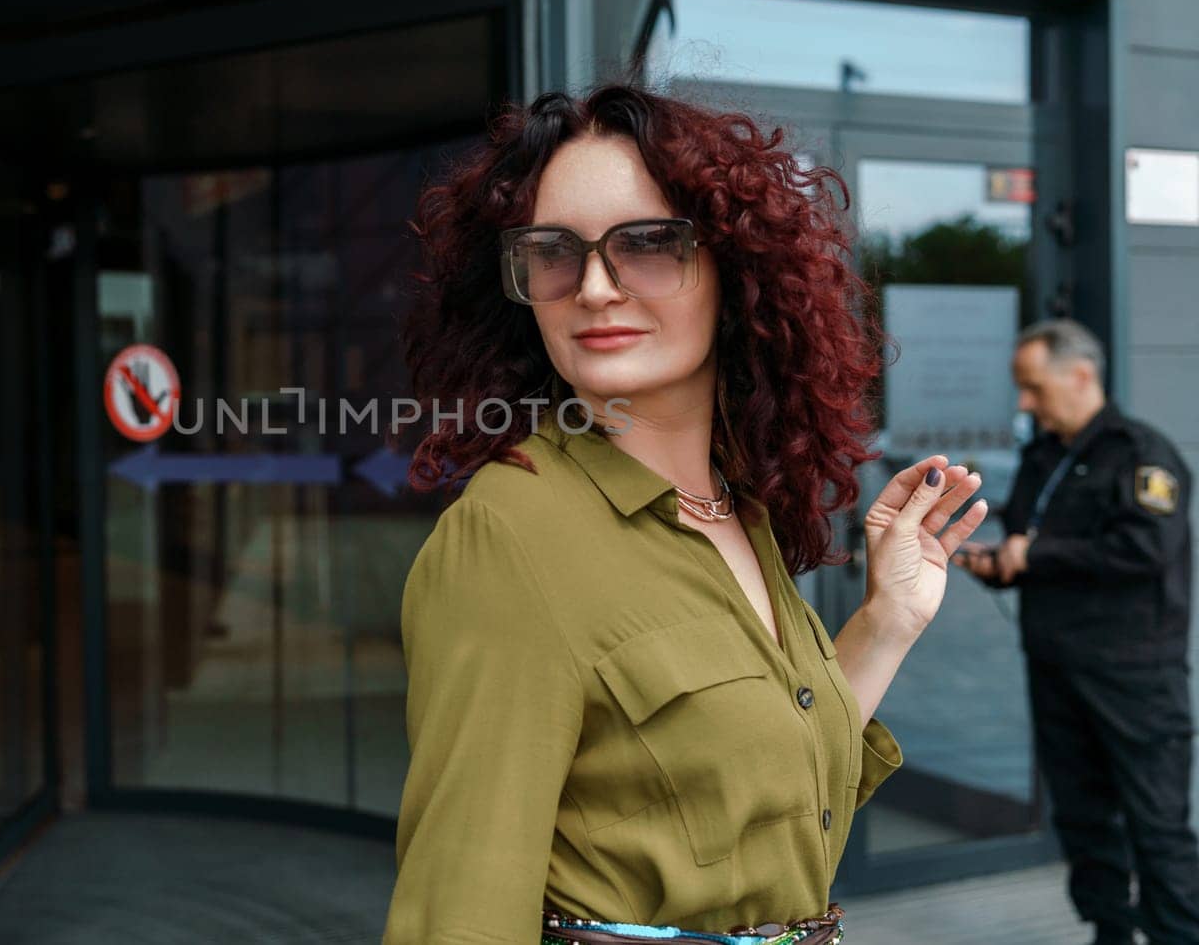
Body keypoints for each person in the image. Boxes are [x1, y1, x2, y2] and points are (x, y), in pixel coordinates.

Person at [382, 81, 989, 943]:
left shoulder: (737, 510)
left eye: (648, 244)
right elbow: (459, 908)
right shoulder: (509, 533)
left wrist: (888, 620)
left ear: (735, 269)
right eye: (554, 251)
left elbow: (781, 804)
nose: (593, 286)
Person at [955, 319, 1199, 945]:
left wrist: (1034, 556)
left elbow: (1143, 548)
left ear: (1081, 375)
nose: (1024, 404)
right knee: (1085, 821)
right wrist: (997, 564)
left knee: (1157, 827)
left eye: (1033, 388)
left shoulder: (1141, 454)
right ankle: (1109, 932)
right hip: (1057, 670)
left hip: (1133, 679)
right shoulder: (1044, 456)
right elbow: (1035, 549)